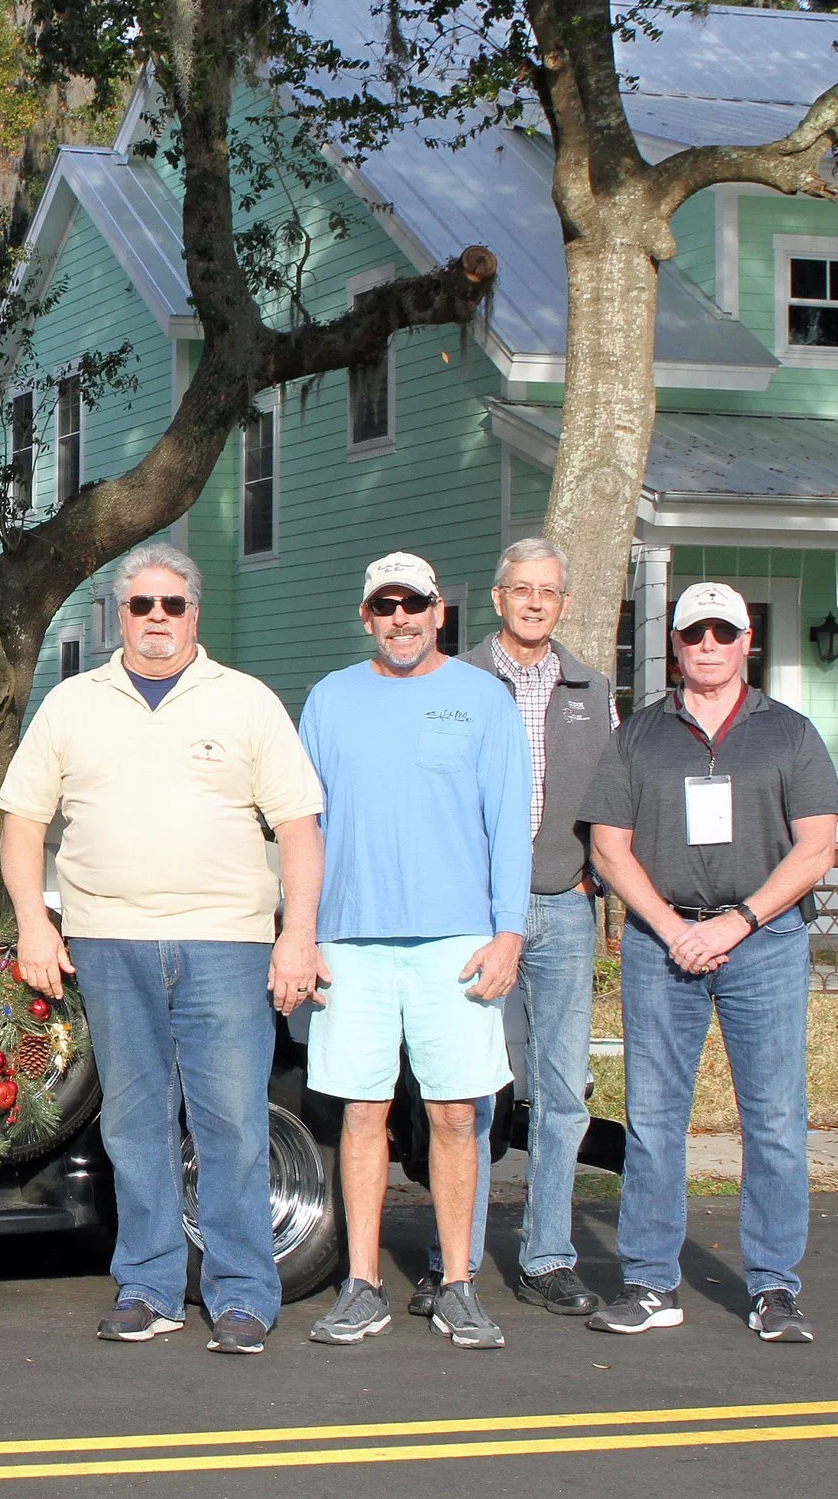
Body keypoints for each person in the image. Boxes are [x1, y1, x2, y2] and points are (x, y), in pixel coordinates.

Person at [0, 543, 326, 1357]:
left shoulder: (246, 702)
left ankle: (245, 1292)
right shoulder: (73, 703)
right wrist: (35, 923)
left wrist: (298, 933)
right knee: (136, 1124)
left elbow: (298, 827)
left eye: (171, 605)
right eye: (141, 604)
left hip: (228, 944)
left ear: (194, 614)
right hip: (108, 943)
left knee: (234, 1125)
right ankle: (148, 1284)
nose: (155, 619)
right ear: (119, 613)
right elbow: (22, 822)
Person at [581, 582, 838, 1343]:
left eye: (723, 633)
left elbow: (816, 846)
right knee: (656, 1119)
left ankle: (773, 1288)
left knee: (775, 1120)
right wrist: (669, 926)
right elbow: (608, 846)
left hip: (764, 943)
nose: (708, 646)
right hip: (663, 945)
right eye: (695, 633)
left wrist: (738, 921)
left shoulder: (789, 733)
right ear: (675, 641)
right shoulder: (637, 735)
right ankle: (651, 1281)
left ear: (746, 639)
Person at [298, 551, 530, 1351]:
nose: (400, 617)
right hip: (351, 940)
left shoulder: (482, 699)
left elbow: (509, 821)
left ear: (440, 612)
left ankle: (458, 1284)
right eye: (384, 605)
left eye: (415, 603)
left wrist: (510, 931)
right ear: (367, 615)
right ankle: (361, 1285)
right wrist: (302, 932)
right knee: (362, 1113)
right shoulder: (329, 699)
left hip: (459, 940)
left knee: (456, 1112)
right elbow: (305, 828)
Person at [459, 538, 617, 1319]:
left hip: (563, 901)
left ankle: (548, 1254)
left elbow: (614, 800)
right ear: (498, 598)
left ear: (561, 602)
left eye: (547, 592)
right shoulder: (455, 680)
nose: (533, 602)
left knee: (561, 1091)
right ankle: (453, 1259)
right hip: (477, 910)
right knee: (472, 1085)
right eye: (520, 588)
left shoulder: (591, 685)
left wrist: (597, 880)